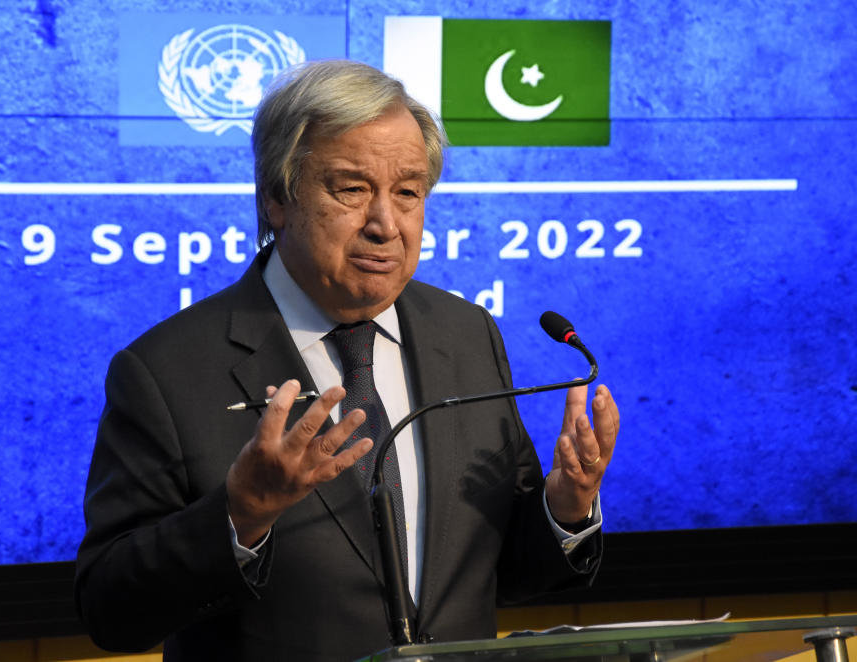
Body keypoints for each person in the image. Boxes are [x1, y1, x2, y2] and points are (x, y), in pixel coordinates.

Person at [75, 59, 619, 662]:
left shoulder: (465, 334)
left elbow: (499, 571)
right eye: (352, 189)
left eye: (408, 192)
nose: (386, 224)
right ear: (278, 198)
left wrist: (564, 508)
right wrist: (240, 516)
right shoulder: (167, 371)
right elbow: (109, 612)